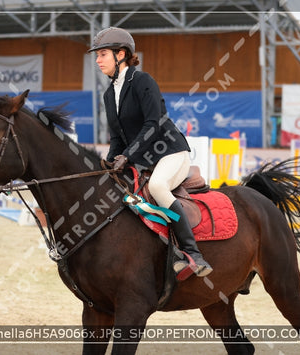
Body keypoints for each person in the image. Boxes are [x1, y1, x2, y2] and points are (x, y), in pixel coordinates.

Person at [88, 27, 213, 280]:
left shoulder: (143, 81)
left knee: (157, 187)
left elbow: (152, 124)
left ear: (120, 54)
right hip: (142, 159)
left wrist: (129, 156)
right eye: (97, 55)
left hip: (170, 153)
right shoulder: (108, 94)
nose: (98, 60)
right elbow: (116, 137)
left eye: (102, 54)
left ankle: (192, 254)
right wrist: (111, 162)